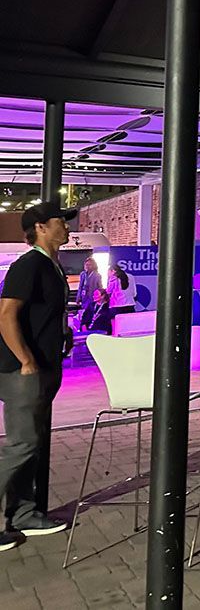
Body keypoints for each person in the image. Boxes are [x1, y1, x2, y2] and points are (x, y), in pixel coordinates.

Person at [0, 201, 77, 551]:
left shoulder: (52, 266)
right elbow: (6, 315)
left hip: (45, 366)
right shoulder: (29, 264)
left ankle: (23, 513)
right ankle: (19, 513)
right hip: (24, 370)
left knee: (32, 443)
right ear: (41, 227)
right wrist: (26, 360)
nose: (66, 225)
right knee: (22, 443)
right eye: (60, 220)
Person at [76, 256, 102, 328]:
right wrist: (78, 297)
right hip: (84, 296)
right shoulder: (83, 274)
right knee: (83, 312)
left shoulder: (97, 275)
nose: (87, 266)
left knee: (90, 312)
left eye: (89, 265)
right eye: (86, 265)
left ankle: (89, 325)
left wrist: (99, 297)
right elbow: (80, 286)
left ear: (93, 265)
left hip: (92, 297)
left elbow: (100, 287)